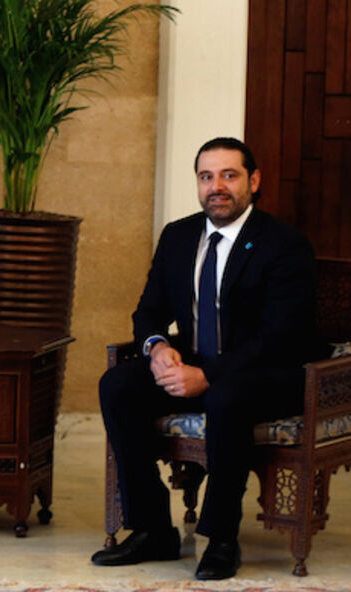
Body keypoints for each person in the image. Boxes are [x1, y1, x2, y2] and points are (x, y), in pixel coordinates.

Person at [91, 137, 324, 580]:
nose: (217, 186)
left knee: (225, 398)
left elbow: (280, 337)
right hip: (198, 362)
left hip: (273, 373)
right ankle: (152, 529)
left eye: (229, 175)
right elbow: (149, 310)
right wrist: (158, 349)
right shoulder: (179, 236)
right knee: (118, 385)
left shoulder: (283, 244)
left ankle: (220, 539)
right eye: (206, 177)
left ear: (253, 182)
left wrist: (206, 375)